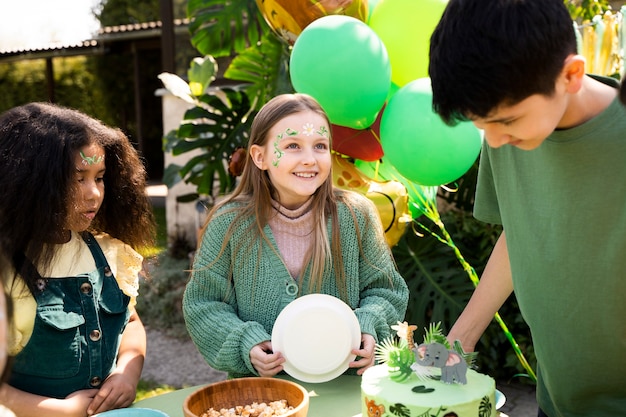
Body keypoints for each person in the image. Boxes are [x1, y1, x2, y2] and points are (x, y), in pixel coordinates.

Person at [428, 1, 626, 416]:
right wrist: (461, 337)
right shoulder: (509, 134)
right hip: (555, 402)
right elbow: (522, 232)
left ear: (570, 75)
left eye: (506, 121)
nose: (494, 141)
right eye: (482, 126)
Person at [183, 93, 409, 379]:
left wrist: (369, 324)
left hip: (344, 388)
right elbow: (203, 304)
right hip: (265, 397)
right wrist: (245, 343)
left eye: (320, 146)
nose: (310, 160)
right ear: (260, 156)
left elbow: (386, 290)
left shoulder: (356, 215)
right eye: (292, 146)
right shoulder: (228, 223)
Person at [0, 103, 156, 417]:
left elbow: (132, 324)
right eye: (77, 178)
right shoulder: (6, 272)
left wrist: (127, 370)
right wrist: (59, 410)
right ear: (30, 183)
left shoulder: (110, 252)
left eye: (99, 178)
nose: (94, 193)